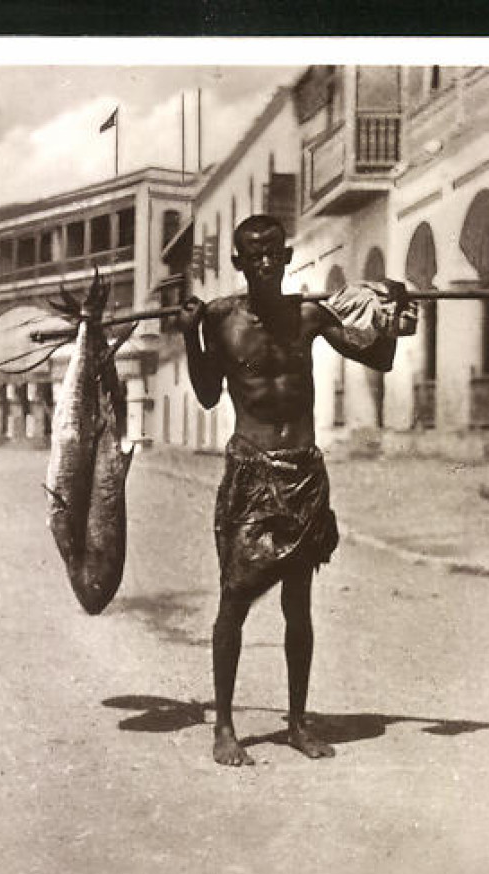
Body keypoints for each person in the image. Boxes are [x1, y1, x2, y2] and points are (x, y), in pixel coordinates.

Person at [179, 214, 416, 767]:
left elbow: (377, 357)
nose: (263, 261)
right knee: (234, 602)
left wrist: (398, 314)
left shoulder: (308, 315)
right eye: (251, 253)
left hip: (304, 473)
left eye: (272, 252)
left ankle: (297, 723)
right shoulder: (219, 320)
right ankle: (225, 728)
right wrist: (190, 336)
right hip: (250, 473)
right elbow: (210, 394)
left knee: (298, 606)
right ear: (237, 262)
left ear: (286, 259)